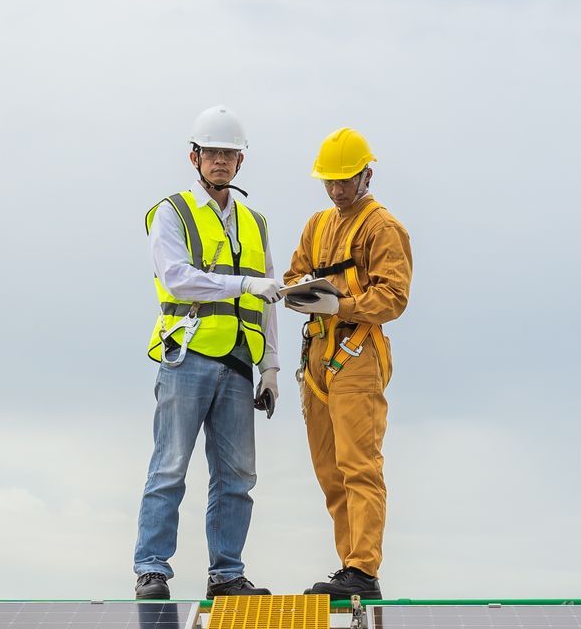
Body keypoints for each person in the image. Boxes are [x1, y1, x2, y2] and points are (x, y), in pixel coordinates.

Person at [132, 106, 282, 600]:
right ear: (194, 157)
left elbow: (269, 299)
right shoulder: (172, 212)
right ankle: (152, 568)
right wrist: (244, 284)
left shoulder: (255, 223)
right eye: (213, 152)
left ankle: (227, 574)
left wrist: (272, 368)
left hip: (240, 363)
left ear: (241, 162)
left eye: (229, 154)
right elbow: (177, 277)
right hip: (188, 356)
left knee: (238, 476)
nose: (221, 161)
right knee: (170, 466)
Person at [283, 127, 411, 600]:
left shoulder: (383, 228)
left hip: (357, 352)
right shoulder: (316, 225)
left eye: (345, 181)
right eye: (329, 182)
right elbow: (294, 273)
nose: (337, 190)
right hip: (316, 353)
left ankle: (363, 568)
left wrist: (342, 305)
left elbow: (394, 297)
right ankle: (347, 567)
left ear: (366, 175)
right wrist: (306, 295)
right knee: (329, 468)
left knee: (360, 465)